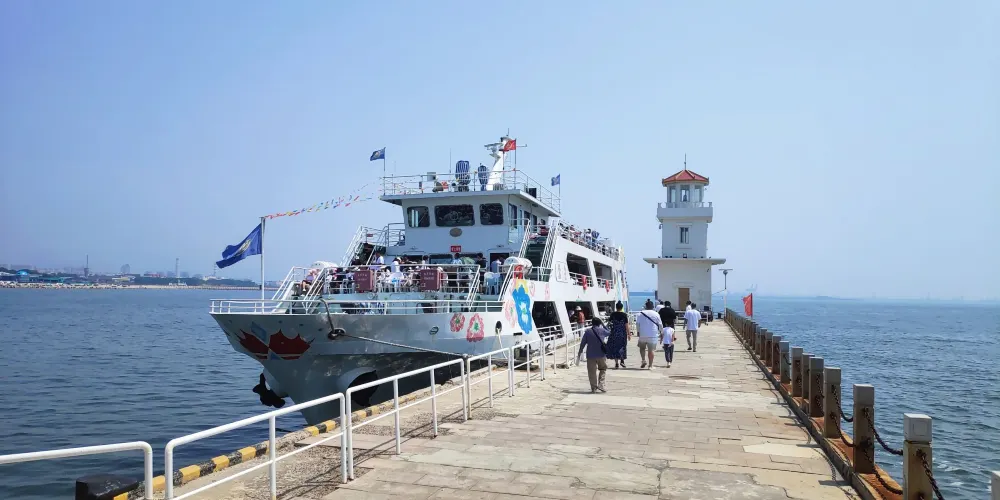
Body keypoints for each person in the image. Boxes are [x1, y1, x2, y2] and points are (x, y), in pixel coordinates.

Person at [577, 317, 610, 393]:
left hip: (590, 355)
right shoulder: (602, 330)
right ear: (599, 323)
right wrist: (603, 325)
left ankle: (594, 387)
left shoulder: (588, 331)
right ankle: (601, 384)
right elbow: (609, 332)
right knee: (603, 369)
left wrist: (580, 352)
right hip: (601, 354)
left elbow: (583, 343)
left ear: (592, 323)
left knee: (591, 372)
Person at [635, 301, 663, 369]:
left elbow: (637, 324)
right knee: (651, 350)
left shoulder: (640, 314)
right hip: (653, 334)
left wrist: (638, 332)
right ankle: (650, 365)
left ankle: (643, 360)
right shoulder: (656, 314)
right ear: (653, 306)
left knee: (642, 348)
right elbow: (660, 324)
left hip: (642, 333)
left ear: (645, 306)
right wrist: (661, 332)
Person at [606, 301, 631, 369]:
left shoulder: (613, 314)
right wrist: (629, 334)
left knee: (615, 347)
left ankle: (616, 363)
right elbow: (626, 325)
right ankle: (622, 360)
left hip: (614, 333)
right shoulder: (624, 315)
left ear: (616, 307)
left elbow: (609, 323)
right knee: (622, 346)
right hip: (622, 333)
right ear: (622, 307)